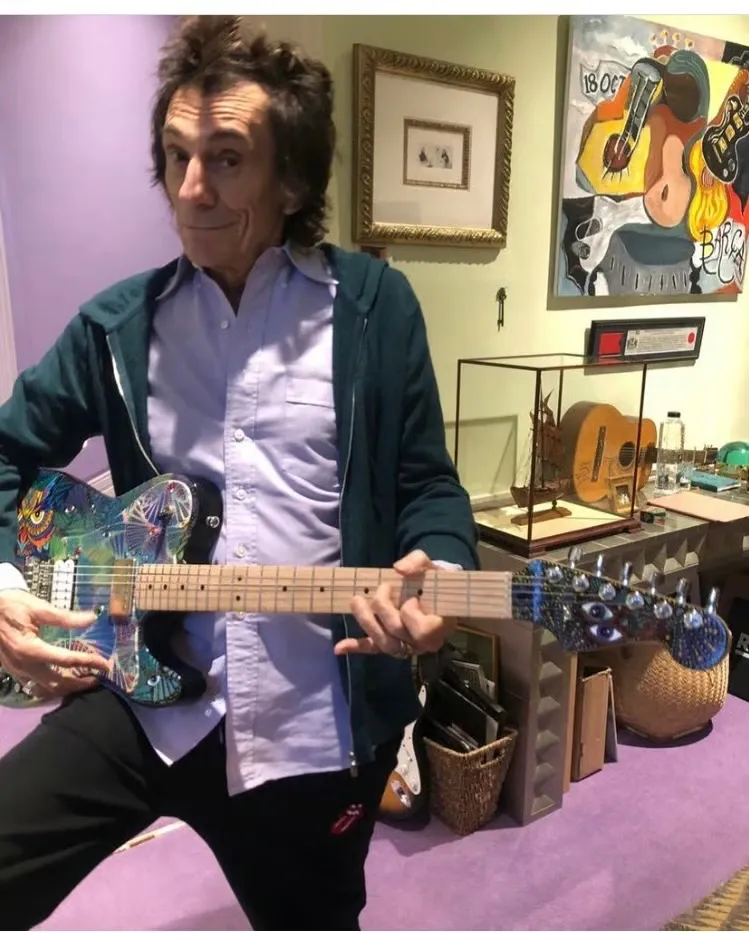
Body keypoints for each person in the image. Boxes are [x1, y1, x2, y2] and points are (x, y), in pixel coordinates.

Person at [0, 15, 477, 932]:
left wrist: (439, 573)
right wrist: (6, 586)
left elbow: (428, 484)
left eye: (225, 158)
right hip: (142, 700)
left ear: (292, 178)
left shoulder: (375, 311)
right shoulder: (116, 327)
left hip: (314, 729)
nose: (189, 188)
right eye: (177, 155)